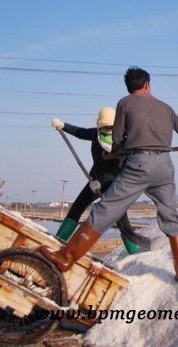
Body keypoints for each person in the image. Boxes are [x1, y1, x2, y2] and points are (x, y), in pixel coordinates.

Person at [41, 67, 178, 282]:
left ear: (129, 87)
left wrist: (122, 149)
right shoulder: (165, 107)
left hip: (139, 163)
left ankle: (65, 256)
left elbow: (118, 137)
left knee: (104, 210)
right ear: (147, 85)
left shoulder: (124, 104)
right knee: (170, 216)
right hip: (165, 166)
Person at [51, 107, 141, 254]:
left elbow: (117, 169)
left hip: (114, 184)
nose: (108, 128)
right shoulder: (96, 134)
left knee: (120, 219)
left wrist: (101, 181)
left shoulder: (122, 141)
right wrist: (63, 126)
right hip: (94, 181)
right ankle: (57, 241)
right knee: (77, 207)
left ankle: (134, 253)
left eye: (111, 126)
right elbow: (80, 132)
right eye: (105, 126)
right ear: (99, 124)